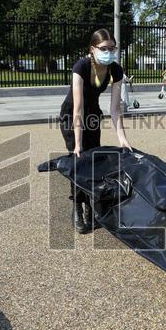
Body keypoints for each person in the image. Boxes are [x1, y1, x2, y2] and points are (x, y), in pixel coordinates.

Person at [59, 28, 134, 233]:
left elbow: (115, 109)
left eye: (112, 48)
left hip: (93, 115)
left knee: (93, 161)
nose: (108, 52)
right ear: (92, 49)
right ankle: (77, 207)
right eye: (104, 48)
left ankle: (91, 207)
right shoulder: (81, 66)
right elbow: (78, 108)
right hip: (72, 116)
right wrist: (77, 143)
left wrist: (122, 138)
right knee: (79, 159)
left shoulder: (115, 70)